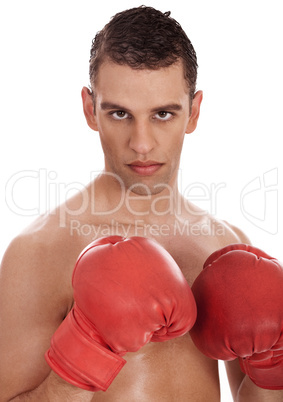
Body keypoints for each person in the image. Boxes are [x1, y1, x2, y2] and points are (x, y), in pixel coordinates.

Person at [0, 6, 282, 401]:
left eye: (163, 114)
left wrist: (274, 364)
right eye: (120, 114)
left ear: (194, 112)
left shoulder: (226, 244)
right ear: (89, 109)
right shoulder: (43, 251)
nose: (142, 143)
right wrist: (85, 352)